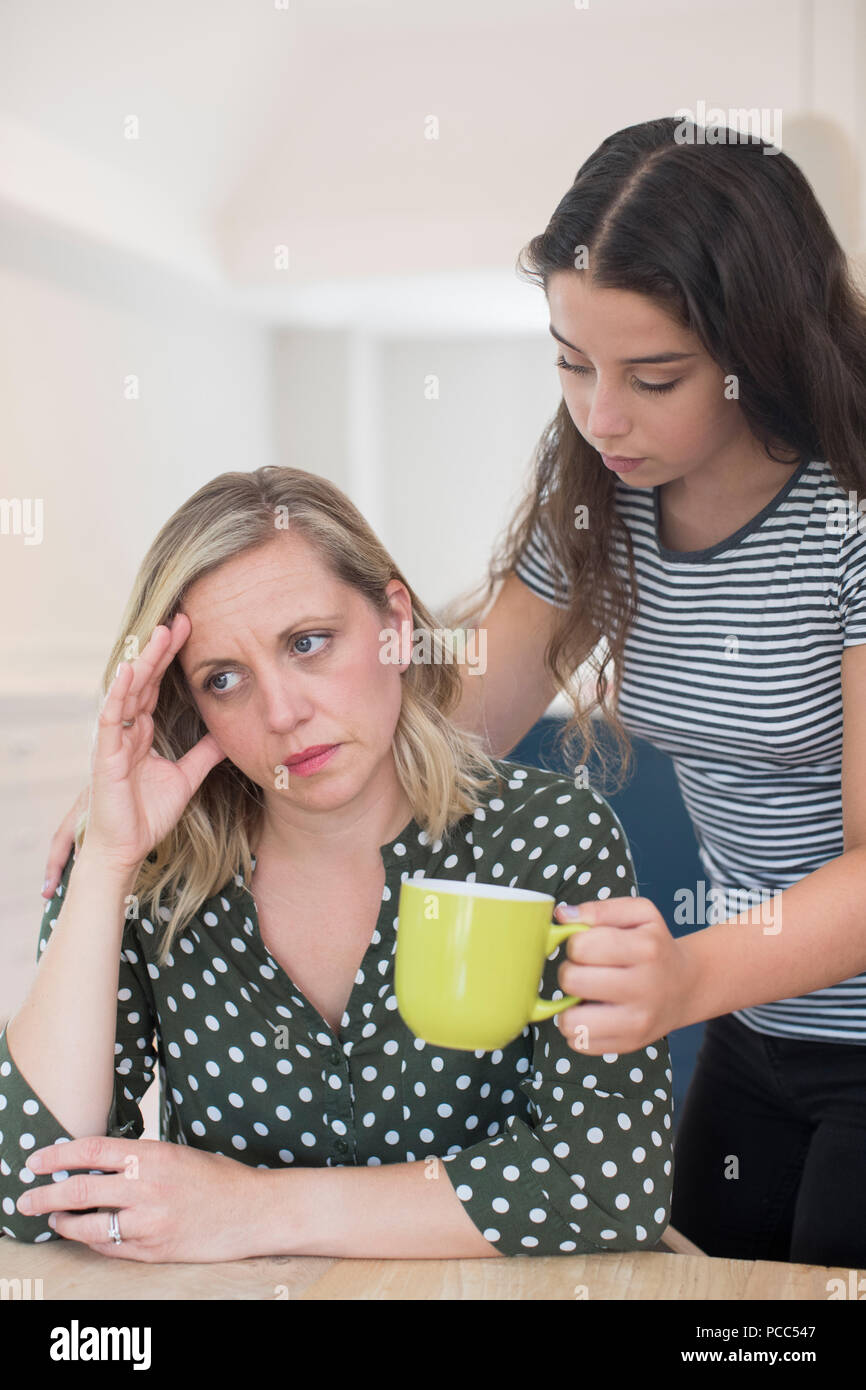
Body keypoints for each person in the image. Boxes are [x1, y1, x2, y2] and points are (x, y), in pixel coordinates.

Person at [0, 465, 672, 1260]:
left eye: (307, 644)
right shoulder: (149, 864)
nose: (283, 713)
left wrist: (251, 1210)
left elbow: (605, 1189)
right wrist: (108, 860)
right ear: (190, 704)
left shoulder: (552, 834)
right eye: (225, 679)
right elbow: (31, 1188)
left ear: (393, 623)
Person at [438, 116, 866, 1269]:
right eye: (570, 363)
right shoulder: (606, 490)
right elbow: (451, 733)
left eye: (653, 375)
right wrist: (207, 780)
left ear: (757, 346)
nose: (600, 415)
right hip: (751, 1026)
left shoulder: (850, 518)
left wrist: (682, 973)